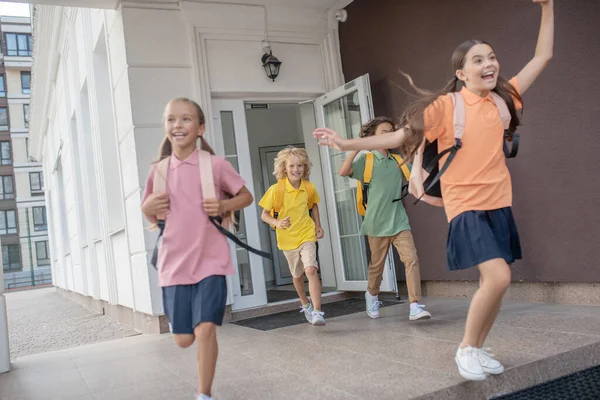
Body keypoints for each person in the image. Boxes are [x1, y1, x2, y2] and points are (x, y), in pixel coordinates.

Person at [314, 0, 553, 381]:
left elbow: (543, 55)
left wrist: (547, 7)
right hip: (465, 204)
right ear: (461, 72)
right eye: (478, 60)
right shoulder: (447, 106)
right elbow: (398, 136)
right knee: (499, 278)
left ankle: (477, 345)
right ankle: (466, 348)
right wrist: (346, 145)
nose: (488, 64)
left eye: (491, 57)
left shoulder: (504, 99)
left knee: (495, 283)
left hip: (499, 203)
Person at [141, 97, 254, 399]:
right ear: (166, 128)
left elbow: (246, 196)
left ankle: (204, 394)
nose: (177, 125)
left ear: (201, 127)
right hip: (174, 265)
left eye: (186, 119)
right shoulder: (160, 171)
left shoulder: (214, 165)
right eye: (171, 119)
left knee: (206, 330)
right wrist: (147, 208)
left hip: (211, 261)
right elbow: (153, 214)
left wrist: (224, 204)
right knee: (182, 339)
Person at [339, 117, 431, 321]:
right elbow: (343, 171)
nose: (389, 134)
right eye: (384, 131)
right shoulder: (368, 160)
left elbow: (418, 178)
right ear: (372, 137)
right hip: (376, 222)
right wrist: (356, 146)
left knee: (411, 259)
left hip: (398, 220)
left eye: (391, 131)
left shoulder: (398, 160)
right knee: (377, 266)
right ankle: (371, 295)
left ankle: (415, 305)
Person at [259, 146, 326, 326]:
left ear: (305, 167)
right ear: (284, 169)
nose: (296, 170)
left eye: (300, 166)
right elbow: (264, 215)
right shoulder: (276, 190)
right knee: (297, 276)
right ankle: (305, 304)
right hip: (288, 239)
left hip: (306, 234)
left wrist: (318, 225)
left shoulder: (309, 188)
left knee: (311, 269)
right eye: (291, 166)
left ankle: (318, 312)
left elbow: (313, 206)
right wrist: (277, 223)